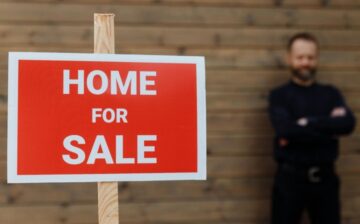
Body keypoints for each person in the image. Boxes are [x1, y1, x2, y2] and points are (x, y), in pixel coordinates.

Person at [268, 32, 356, 224]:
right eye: (300, 57)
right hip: (289, 180)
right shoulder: (279, 96)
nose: (305, 62)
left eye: (310, 57)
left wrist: (306, 123)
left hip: (325, 180)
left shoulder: (331, 94)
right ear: (289, 59)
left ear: (316, 59)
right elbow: (285, 130)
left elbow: (347, 124)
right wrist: (328, 127)